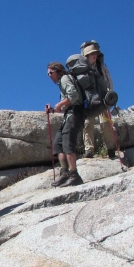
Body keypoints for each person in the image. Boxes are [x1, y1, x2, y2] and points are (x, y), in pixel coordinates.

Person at [46, 60, 84, 188]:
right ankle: (65, 173)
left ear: (58, 71)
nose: (49, 75)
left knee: (67, 143)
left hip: (75, 113)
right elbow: (65, 105)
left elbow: (74, 96)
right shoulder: (61, 83)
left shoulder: (65, 79)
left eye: (51, 72)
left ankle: (74, 175)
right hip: (69, 114)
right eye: (48, 74)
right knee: (58, 143)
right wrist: (53, 109)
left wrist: (59, 104)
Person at [80, 41, 119, 160]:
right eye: (92, 53)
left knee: (106, 123)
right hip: (89, 100)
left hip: (103, 100)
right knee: (87, 124)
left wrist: (109, 96)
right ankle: (89, 149)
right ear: (86, 55)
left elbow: (109, 81)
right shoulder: (82, 69)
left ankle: (111, 148)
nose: (95, 55)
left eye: (96, 53)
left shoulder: (101, 68)